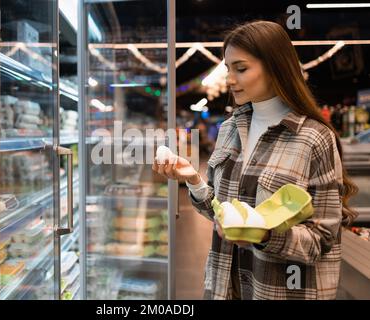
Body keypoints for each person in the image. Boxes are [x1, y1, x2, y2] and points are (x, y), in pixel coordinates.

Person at [152, 20, 358, 300]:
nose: (230, 79)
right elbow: (223, 214)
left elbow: (321, 239)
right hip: (226, 287)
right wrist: (194, 180)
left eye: (241, 68)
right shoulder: (229, 129)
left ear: (275, 68)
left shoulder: (313, 138)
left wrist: (262, 236)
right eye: (228, 69)